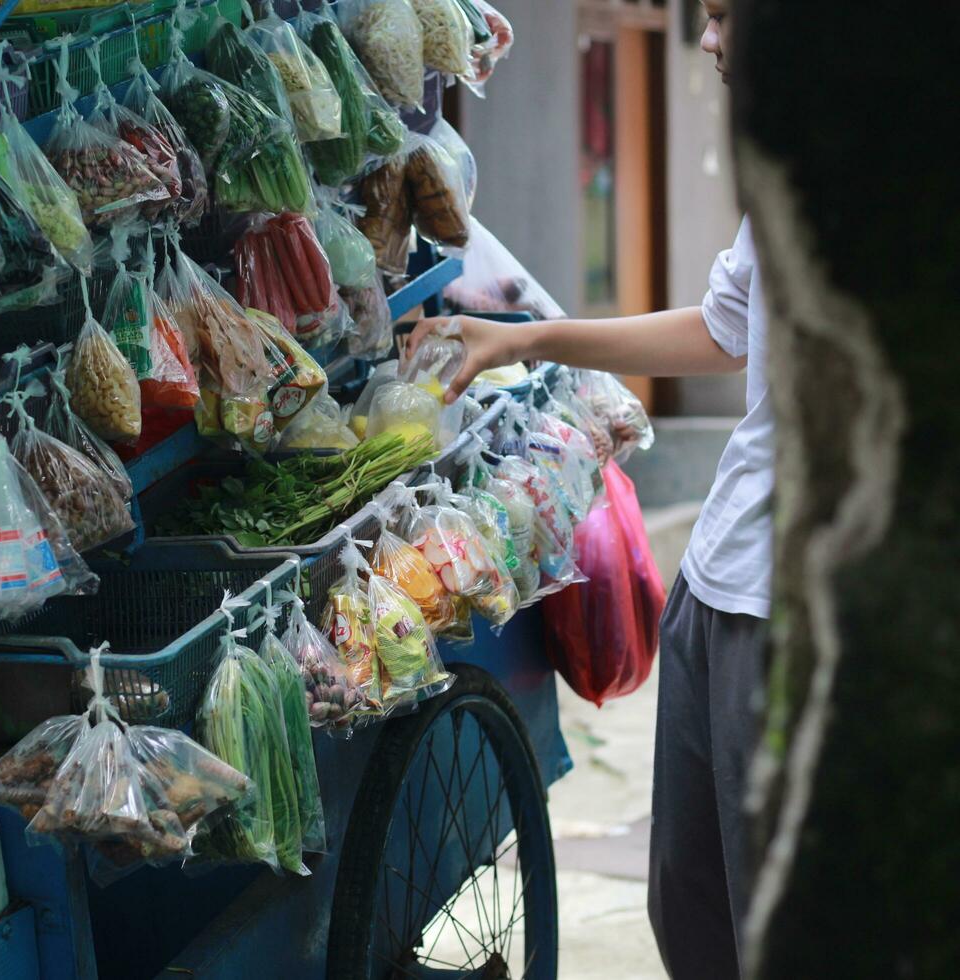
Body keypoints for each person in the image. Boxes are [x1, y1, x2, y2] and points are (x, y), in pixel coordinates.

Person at [410, 2, 765, 976]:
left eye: (727, 15)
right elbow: (725, 328)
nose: (703, 37)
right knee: (691, 908)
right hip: (717, 588)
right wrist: (530, 339)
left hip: (798, 618)